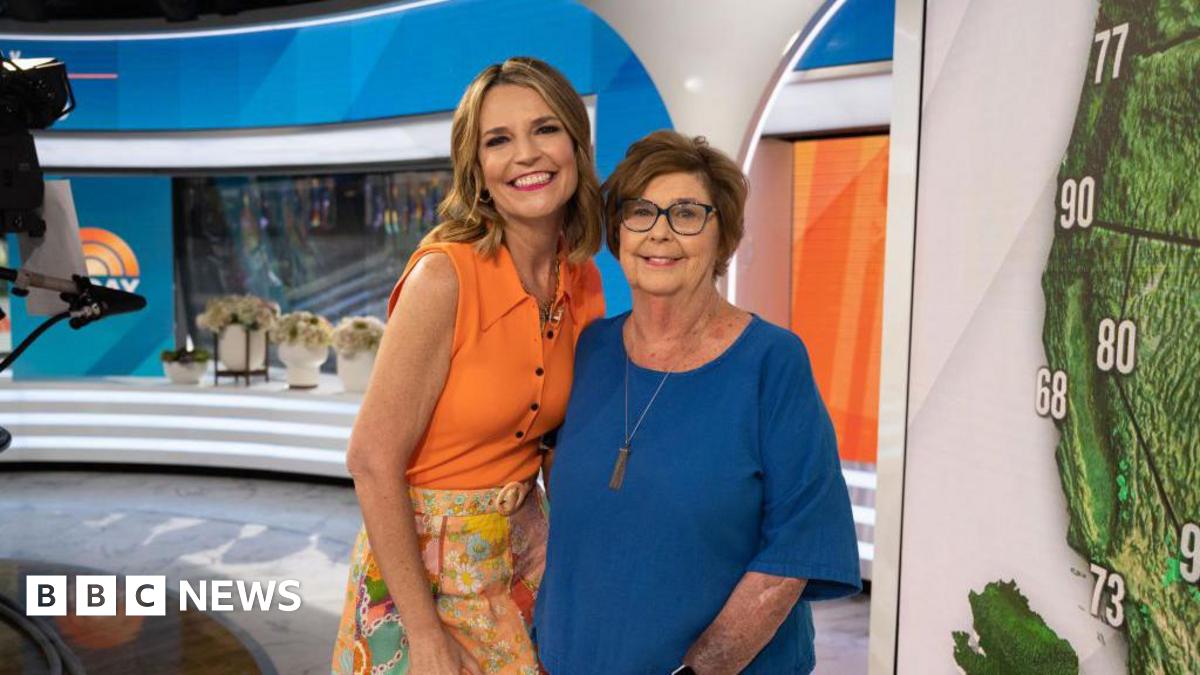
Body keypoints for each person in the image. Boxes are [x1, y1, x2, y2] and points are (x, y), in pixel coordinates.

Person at [534, 130, 861, 674]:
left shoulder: (772, 362)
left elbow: (794, 548)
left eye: (686, 213)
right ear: (618, 231)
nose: (659, 232)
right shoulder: (589, 349)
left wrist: (699, 670)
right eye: (640, 212)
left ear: (722, 236)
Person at [333, 57, 605, 675]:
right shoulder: (443, 277)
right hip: (422, 573)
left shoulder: (582, 278)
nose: (526, 154)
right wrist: (425, 636)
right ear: (476, 169)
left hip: (525, 556)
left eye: (545, 129)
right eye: (498, 140)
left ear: (576, 144)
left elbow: (558, 445)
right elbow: (371, 460)